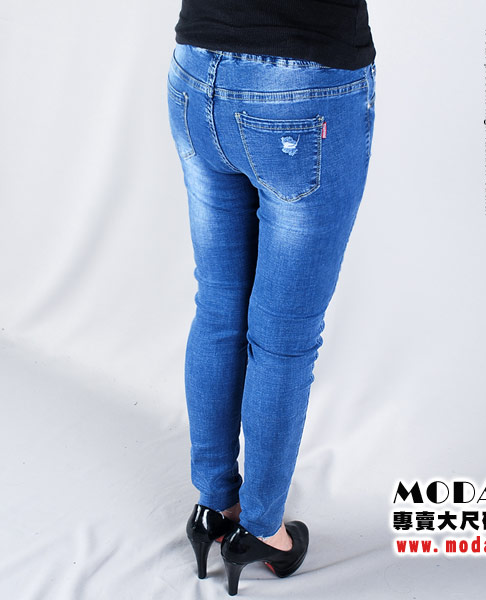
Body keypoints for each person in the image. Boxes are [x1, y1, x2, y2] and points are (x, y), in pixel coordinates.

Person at [166, 0, 376, 595]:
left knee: (218, 308)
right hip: (303, 85)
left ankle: (214, 508)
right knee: (283, 337)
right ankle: (261, 527)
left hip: (197, 69)